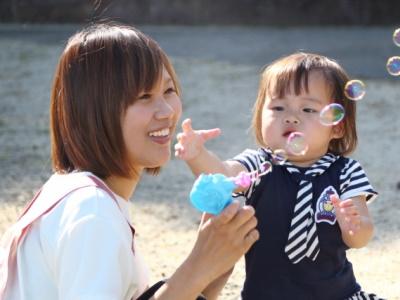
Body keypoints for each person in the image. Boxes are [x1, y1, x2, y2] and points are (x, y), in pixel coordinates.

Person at [0, 23, 260, 300]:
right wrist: (197, 267)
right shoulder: (92, 212)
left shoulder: (72, 192)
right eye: (144, 96)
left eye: (168, 91)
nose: (166, 111)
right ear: (95, 111)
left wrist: (210, 275)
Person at [175, 52, 383, 299]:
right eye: (278, 107)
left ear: (337, 126)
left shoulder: (346, 172)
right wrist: (197, 154)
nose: (291, 117)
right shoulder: (258, 164)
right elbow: (222, 175)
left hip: (337, 295)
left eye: (308, 109)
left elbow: (361, 236)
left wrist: (354, 227)